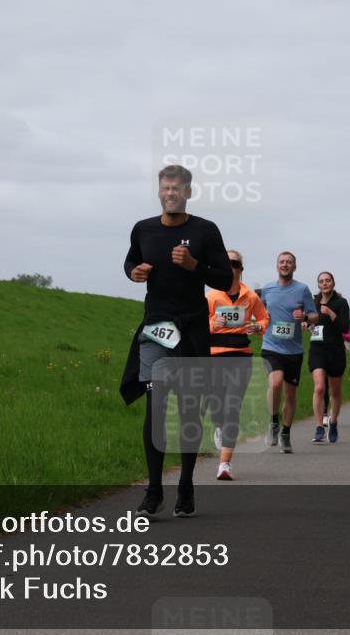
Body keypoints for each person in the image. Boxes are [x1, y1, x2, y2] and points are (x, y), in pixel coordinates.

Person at [120, 165, 233, 518]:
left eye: (177, 189)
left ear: (188, 192)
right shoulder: (143, 229)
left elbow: (225, 279)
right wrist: (133, 273)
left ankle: (185, 483)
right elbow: (130, 261)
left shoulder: (205, 230)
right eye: (166, 188)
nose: (171, 193)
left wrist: (194, 265)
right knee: (156, 408)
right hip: (156, 328)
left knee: (187, 411)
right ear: (159, 191)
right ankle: (154, 491)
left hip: (192, 329)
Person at [205, 250, 269, 480]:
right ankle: (219, 427)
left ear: (241, 269)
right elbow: (198, 322)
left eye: (235, 263)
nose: (230, 266)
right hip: (214, 356)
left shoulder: (251, 297)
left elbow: (264, 318)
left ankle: (225, 464)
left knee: (232, 408)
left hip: (241, 356)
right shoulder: (211, 296)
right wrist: (213, 321)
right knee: (217, 407)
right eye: (226, 262)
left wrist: (258, 327)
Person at [260, 252, 318, 453]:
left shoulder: (302, 289)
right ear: (277, 266)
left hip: (293, 350)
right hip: (271, 346)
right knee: (275, 384)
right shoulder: (267, 289)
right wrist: (261, 320)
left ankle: (285, 432)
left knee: (290, 394)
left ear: (295, 267)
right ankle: (273, 422)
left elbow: (314, 316)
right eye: (282, 262)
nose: (285, 265)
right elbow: (260, 313)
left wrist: (305, 316)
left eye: (289, 262)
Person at [308, 272, 350, 444]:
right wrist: (306, 323)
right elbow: (309, 321)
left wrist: (331, 313)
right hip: (317, 350)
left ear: (333, 282)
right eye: (321, 281)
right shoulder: (313, 303)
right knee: (319, 388)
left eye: (328, 280)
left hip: (335, 351)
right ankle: (319, 426)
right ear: (318, 285)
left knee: (335, 391)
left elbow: (345, 327)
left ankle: (333, 422)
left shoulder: (341, 303)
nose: (325, 283)